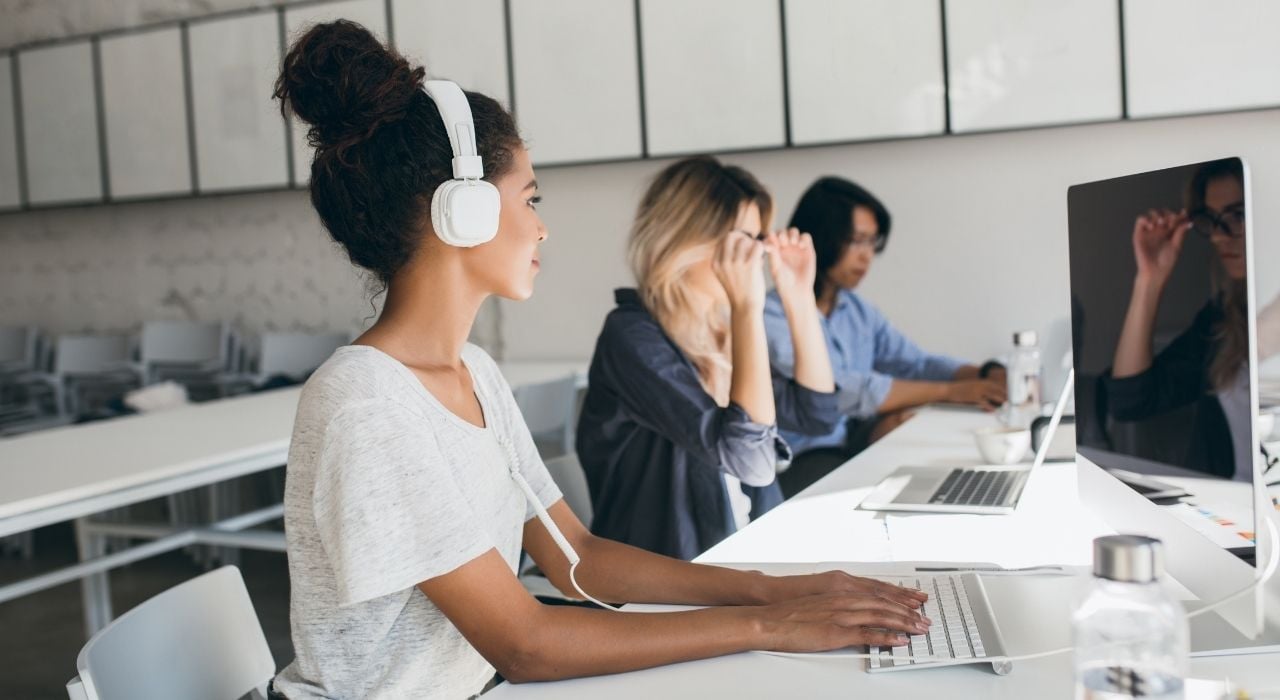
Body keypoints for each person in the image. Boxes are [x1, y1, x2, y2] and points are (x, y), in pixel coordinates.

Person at [269, 22, 928, 699]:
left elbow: (576, 556)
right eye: (530, 199)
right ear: (462, 211)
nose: (542, 226)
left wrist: (772, 592)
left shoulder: (475, 375)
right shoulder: (368, 403)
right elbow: (526, 643)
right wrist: (771, 624)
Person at [576, 156, 842, 560]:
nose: (752, 257)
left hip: (746, 559)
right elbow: (750, 460)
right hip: (670, 585)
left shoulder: (720, 334)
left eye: (755, 242)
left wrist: (800, 297)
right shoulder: (632, 337)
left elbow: (817, 414)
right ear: (683, 237)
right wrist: (747, 308)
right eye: (739, 241)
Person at [765, 176, 1006, 497]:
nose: (867, 256)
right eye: (857, 240)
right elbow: (844, 390)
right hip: (801, 457)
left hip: (849, 437)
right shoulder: (771, 314)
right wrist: (954, 390)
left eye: (872, 243)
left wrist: (986, 374)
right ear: (822, 237)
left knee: (921, 445)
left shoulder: (857, 310)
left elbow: (914, 362)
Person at [1108, 158, 1252, 480]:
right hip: (1235, 515)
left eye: (1238, 216)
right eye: (1212, 221)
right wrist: (1150, 280)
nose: (1218, 236)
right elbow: (1130, 400)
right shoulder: (1222, 321)